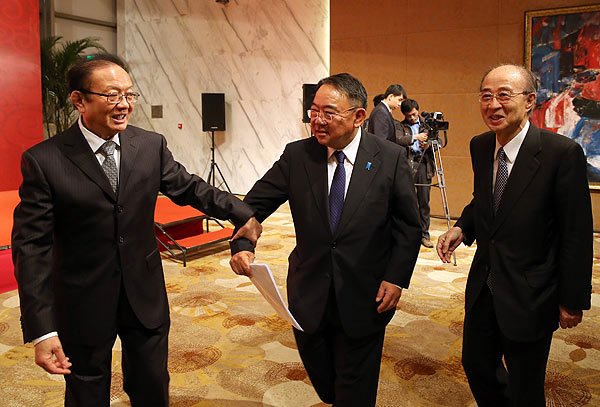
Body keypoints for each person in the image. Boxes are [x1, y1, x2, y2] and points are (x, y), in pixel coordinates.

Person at [11, 53, 262, 407]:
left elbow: (190, 187)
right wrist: (42, 328)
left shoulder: (148, 145)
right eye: (112, 96)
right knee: (86, 389)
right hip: (82, 299)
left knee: (152, 384)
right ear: (79, 100)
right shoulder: (44, 160)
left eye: (129, 95)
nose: (124, 104)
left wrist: (243, 213)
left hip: (144, 292)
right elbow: (31, 246)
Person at [230, 73, 421, 406]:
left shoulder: (388, 158)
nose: (317, 120)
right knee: (325, 383)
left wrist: (396, 277)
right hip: (308, 292)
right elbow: (253, 205)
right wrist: (243, 245)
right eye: (313, 111)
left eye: (328, 112)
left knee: (354, 389)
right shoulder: (298, 156)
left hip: (366, 293)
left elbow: (409, 224)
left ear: (359, 116)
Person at [436, 64, 593, 406]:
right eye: (486, 96)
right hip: (485, 283)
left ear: (529, 101)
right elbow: (488, 200)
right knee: (476, 364)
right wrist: (463, 227)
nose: (493, 105)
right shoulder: (480, 146)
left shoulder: (560, 154)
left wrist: (572, 298)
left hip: (532, 290)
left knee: (525, 381)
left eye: (504, 95)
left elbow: (577, 233)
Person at [396, 99, 436, 248]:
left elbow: (438, 142)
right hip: (408, 164)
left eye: (413, 114)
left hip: (424, 164)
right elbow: (397, 139)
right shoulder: (400, 126)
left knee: (424, 201)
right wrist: (415, 138)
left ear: (418, 110)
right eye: (408, 116)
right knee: (407, 201)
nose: (412, 118)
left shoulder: (427, 124)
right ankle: (409, 234)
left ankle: (425, 235)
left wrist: (428, 144)